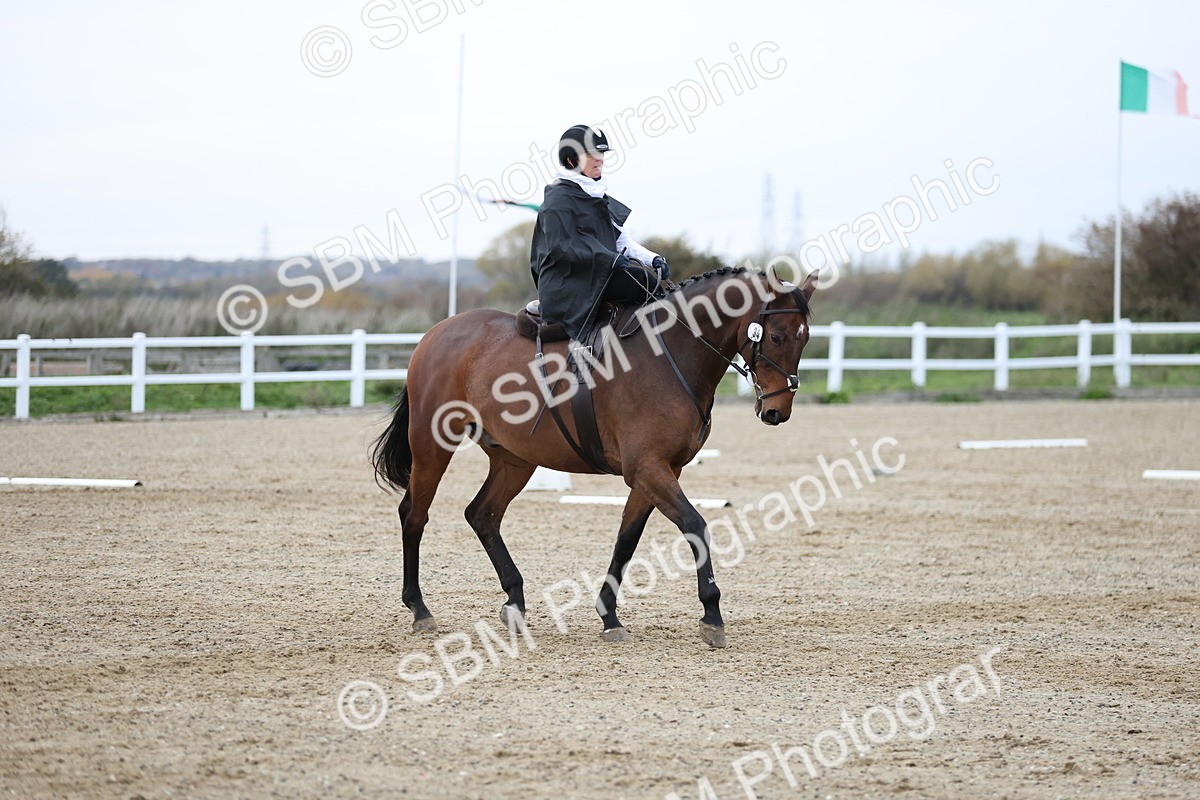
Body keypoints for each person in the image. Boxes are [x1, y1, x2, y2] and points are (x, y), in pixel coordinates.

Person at [529, 124, 670, 340]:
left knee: (648, 278)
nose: (600, 159)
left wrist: (653, 259)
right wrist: (610, 259)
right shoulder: (558, 201)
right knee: (641, 280)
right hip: (567, 283)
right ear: (571, 160)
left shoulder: (597, 195)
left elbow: (622, 242)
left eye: (601, 153)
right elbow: (563, 248)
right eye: (592, 154)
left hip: (596, 275)